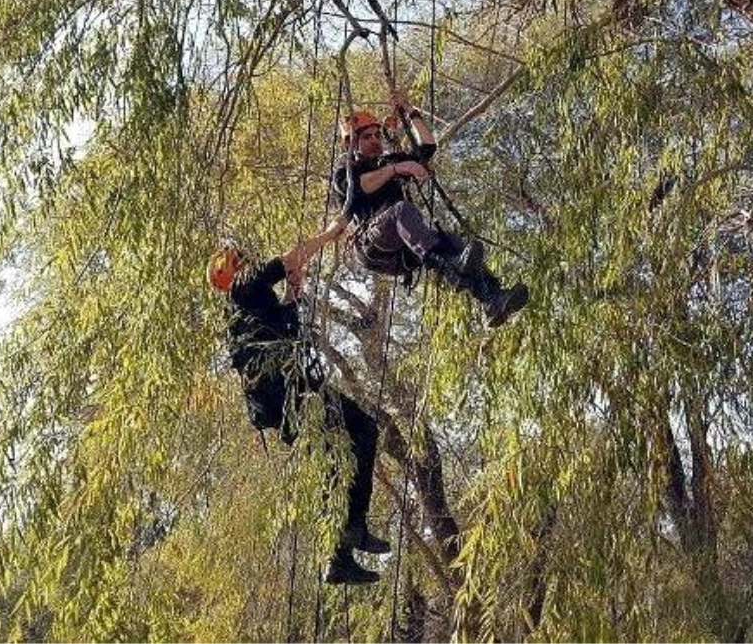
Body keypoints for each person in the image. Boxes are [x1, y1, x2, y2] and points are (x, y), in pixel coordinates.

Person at [208, 223, 389, 585]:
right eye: (245, 259)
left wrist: (294, 291)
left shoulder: (246, 311)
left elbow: (284, 322)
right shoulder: (244, 286)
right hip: (292, 394)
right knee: (363, 430)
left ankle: (339, 553)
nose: (252, 261)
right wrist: (333, 232)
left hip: (284, 401)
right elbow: (294, 255)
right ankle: (351, 526)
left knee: (336, 458)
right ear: (238, 266)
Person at [332, 93, 529, 327]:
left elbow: (427, 146)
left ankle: (493, 299)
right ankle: (447, 267)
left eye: (377, 135)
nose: (375, 140)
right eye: (367, 137)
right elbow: (361, 186)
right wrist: (397, 169)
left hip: (404, 250)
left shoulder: (388, 161)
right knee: (401, 210)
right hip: (372, 245)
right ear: (352, 143)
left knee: (454, 242)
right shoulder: (345, 170)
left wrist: (409, 111)